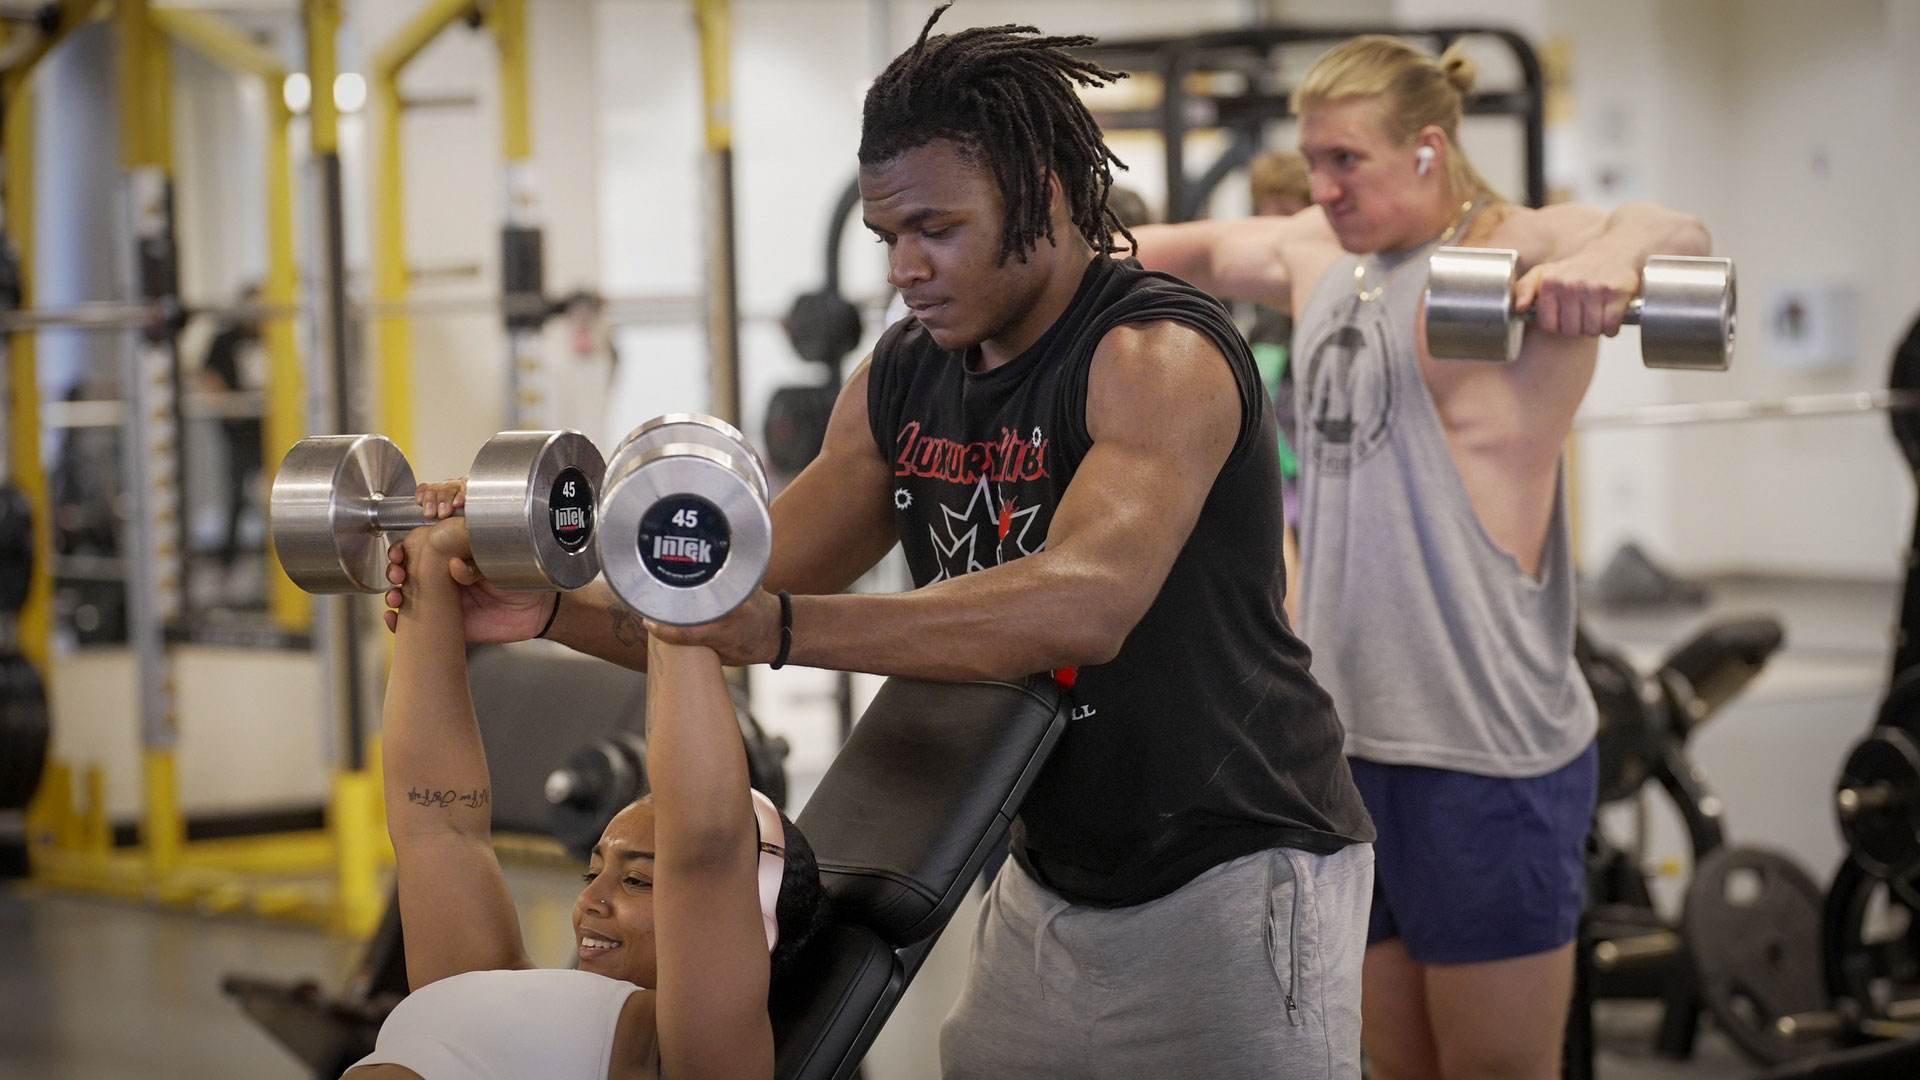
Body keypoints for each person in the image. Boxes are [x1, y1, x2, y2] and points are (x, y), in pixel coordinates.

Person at [391, 7, 1375, 1077]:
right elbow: (716, 598)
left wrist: (776, 627)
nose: (905, 266)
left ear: (1038, 192)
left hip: (1233, 868)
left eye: (936, 230)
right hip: (1048, 878)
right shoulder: (904, 375)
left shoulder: (1152, 355)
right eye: (887, 238)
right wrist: (544, 604)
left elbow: (1086, 601)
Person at [1129, 34, 1714, 1080]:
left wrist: (1609, 263)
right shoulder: (1320, 252)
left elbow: (1669, 227)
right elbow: (1200, 252)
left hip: (1484, 751)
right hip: (1345, 748)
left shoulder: (1512, 242)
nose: (1322, 185)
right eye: (1312, 161)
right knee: (1387, 1065)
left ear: (1428, 151)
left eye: (1345, 160)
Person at [349, 511, 830, 1080]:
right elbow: (438, 825)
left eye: (637, 880)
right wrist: (436, 561)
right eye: (592, 873)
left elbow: (707, 844)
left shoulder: (679, 1056)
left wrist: (663, 563)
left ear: (750, 929)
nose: (591, 902)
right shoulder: (481, 972)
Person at [199, 284, 264, 572]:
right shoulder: (224, 340)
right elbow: (206, 374)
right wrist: (228, 406)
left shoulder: (274, 337)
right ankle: (229, 560)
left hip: (269, 428)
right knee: (236, 494)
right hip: (239, 433)